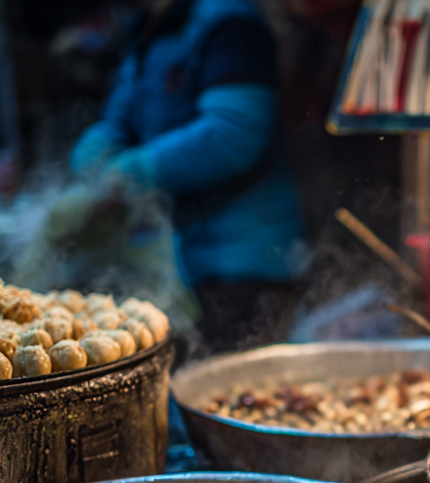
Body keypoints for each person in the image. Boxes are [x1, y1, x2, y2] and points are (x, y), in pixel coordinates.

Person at [70, 0, 304, 352]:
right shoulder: (147, 27)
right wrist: (91, 157)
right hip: (183, 263)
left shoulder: (230, 22)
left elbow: (233, 132)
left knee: (233, 389)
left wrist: (126, 173)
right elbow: (121, 119)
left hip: (244, 262)